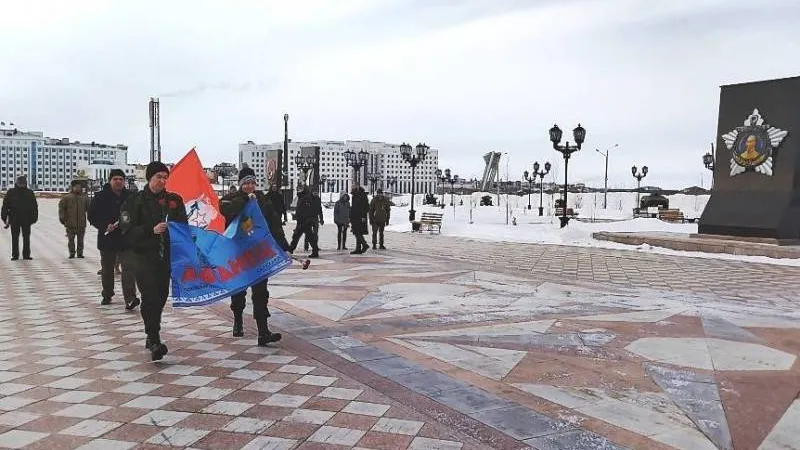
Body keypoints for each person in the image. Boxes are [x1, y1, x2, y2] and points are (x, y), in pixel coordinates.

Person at [120, 161, 187, 361]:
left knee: (161, 295)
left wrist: (175, 230)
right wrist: (150, 230)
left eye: (165, 177)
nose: (162, 181)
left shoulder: (174, 200)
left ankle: (152, 334)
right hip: (142, 256)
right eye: (158, 177)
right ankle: (154, 338)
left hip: (165, 256)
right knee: (149, 296)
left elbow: (183, 225)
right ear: (149, 178)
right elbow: (126, 231)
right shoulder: (133, 202)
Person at [220, 167, 288, 345]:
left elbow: (273, 224)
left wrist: (283, 246)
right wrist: (244, 199)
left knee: (261, 291)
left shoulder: (262, 200)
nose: (250, 186)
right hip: (238, 252)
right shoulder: (230, 199)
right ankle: (238, 320)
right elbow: (227, 212)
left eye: (252, 183)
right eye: (246, 183)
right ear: (240, 184)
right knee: (239, 288)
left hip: (258, 253)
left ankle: (263, 331)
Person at [88, 169, 139, 309]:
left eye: (121, 179)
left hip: (126, 239)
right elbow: (91, 216)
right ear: (110, 181)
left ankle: (130, 297)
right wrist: (104, 226)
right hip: (107, 239)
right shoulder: (100, 197)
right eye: (115, 179)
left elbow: (137, 214)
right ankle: (107, 293)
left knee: (128, 268)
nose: (118, 182)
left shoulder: (131, 197)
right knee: (107, 269)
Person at [1, 176, 38, 260]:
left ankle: (26, 255)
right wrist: (4, 217)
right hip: (14, 219)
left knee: (26, 237)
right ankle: (15, 255)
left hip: (26, 219)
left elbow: (34, 207)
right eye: (20, 183)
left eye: (23, 183)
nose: (21, 184)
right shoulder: (11, 192)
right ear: (17, 183)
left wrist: (34, 218)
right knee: (14, 238)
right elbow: (5, 206)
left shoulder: (29, 193)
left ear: (25, 183)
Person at [58, 180, 91, 259]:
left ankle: (80, 253)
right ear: (72, 187)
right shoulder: (67, 197)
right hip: (70, 223)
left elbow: (89, 209)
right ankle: (72, 253)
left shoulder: (85, 198)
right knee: (71, 240)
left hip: (81, 222)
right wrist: (62, 218)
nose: (78, 188)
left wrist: (91, 218)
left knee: (80, 240)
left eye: (79, 187)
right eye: (76, 187)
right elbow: (61, 208)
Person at [288, 185, 320, 258]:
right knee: (299, 236)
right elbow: (300, 209)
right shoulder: (301, 197)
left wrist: (301, 217)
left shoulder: (306, 198)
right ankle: (290, 250)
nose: (298, 190)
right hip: (302, 221)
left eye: (300, 189)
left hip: (305, 221)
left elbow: (306, 210)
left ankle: (290, 250)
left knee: (302, 236)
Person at [349, 186, 370, 254]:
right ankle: (358, 249)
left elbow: (366, 207)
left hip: (360, 218)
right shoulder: (355, 196)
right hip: (355, 217)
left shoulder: (362, 196)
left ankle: (364, 244)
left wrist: (363, 216)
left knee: (357, 232)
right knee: (358, 232)